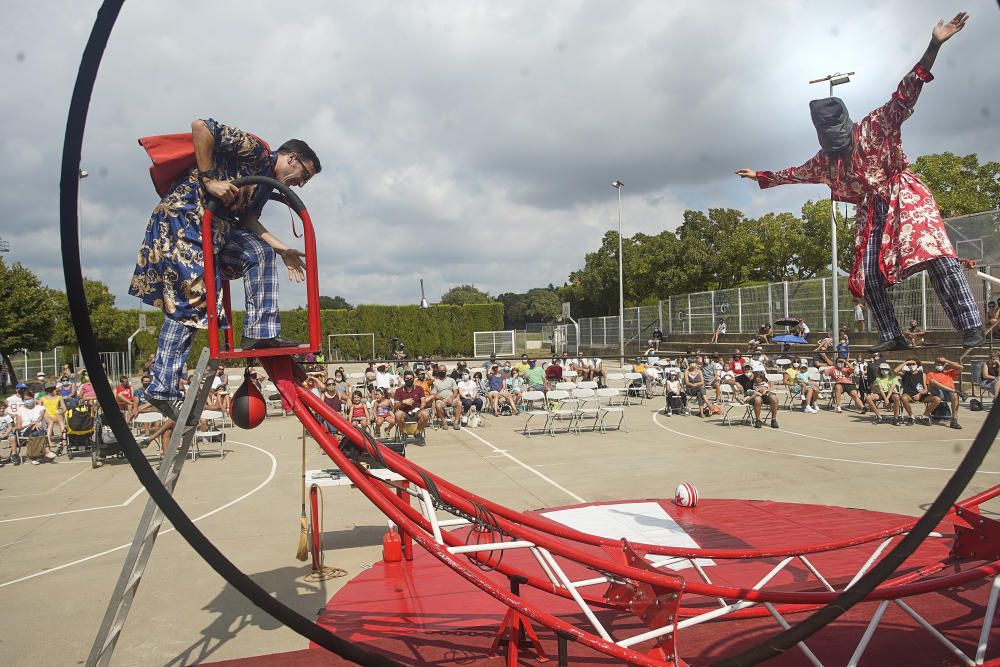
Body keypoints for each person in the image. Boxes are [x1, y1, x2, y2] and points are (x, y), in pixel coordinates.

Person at [737, 12, 982, 351]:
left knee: (936, 254)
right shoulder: (827, 160)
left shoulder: (876, 125)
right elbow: (794, 173)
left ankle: (970, 325)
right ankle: (892, 335)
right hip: (873, 209)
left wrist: (934, 45)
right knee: (867, 276)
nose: (840, 152)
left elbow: (907, 91)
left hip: (904, 195)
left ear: (849, 128)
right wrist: (761, 176)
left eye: (842, 143)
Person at [129, 118, 320, 420]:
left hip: (215, 232)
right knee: (192, 303)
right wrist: (208, 180)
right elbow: (201, 127)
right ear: (292, 158)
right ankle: (162, 387)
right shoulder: (257, 152)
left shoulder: (260, 190)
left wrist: (281, 248)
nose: (301, 183)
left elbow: (248, 221)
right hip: (186, 223)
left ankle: (260, 331)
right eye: (303, 174)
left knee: (260, 251)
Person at [925, 356, 964, 429]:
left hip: (948, 393)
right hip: (937, 392)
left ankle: (954, 420)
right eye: (938, 363)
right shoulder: (930, 374)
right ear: (934, 364)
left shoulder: (948, 373)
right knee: (933, 381)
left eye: (941, 363)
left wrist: (946, 361)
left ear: (944, 365)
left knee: (955, 395)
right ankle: (955, 391)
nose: (939, 365)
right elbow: (930, 387)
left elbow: (960, 368)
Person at [393, 369, 429, 440]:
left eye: (411, 378)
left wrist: (418, 409)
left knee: (425, 414)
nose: (409, 380)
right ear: (404, 379)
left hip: (416, 411)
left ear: (413, 379)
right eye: (407, 378)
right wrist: (403, 402)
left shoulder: (419, 389)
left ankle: (417, 432)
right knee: (397, 414)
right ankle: (404, 432)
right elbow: (395, 406)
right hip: (404, 413)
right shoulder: (399, 391)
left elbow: (423, 402)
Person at [431, 366, 463, 430]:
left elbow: (456, 391)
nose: (441, 372)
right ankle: (444, 421)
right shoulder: (435, 382)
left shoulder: (451, 380)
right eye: (440, 370)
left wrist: (451, 398)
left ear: (446, 371)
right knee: (438, 405)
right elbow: (433, 394)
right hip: (441, 400)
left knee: (459, 403)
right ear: (438, 371)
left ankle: (456, 422)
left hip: (452, 399)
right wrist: (442, 399)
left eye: (443, 370)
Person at [39, 384, 67, 451]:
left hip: (56, 413)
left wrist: (61, 412)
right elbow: (39, 409)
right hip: (46, 414)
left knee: (61, 421)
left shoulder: (59, 397)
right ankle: (49, 440)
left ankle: (64, 439)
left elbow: (64, 408)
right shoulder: (42, 399)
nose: (55, 391)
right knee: (50, 422)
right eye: (53, 389)